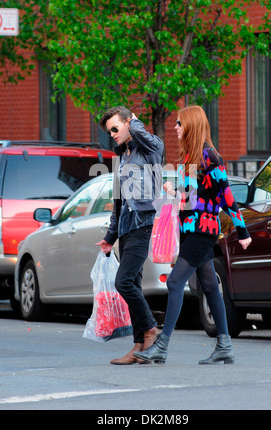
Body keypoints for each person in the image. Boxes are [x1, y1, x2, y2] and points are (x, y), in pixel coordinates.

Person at [134, 105, 252, 365]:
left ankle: (162, 346)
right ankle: (225, 346)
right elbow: (190, 200)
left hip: (204, 231)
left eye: (179, 123)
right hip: (190, 231)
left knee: (175, 282)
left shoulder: (211, 157)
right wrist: (174, 191)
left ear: (191, 125)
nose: (175, 128)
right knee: (209, 286)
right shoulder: (190, 158)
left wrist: (242, 230)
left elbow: (226, 196)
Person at [96, 105, 164, 364]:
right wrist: (110, 237)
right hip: (125, 228)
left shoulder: (150, 148)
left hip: (142, 224)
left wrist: (135, 123)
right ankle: (138, 347)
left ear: (128, 123)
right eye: (109, 131)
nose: (112, 134)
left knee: (123, 282)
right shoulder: (123, 156)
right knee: (132, 284)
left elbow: (148, 139)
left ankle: (150, 330)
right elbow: (119, 202)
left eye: (115, 128)